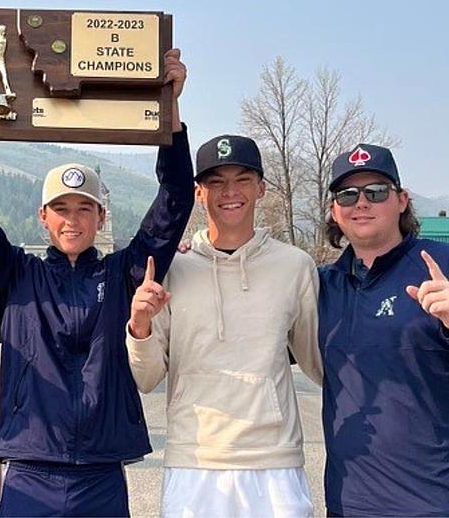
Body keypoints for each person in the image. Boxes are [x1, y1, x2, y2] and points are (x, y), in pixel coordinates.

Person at [0, 43, 194, 517]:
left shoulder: (124, 273)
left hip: (100, 475)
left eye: (85, 209)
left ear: (101, 218)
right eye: (61, 209)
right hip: (30, 472)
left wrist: (171, 107)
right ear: (43, 216)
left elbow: (176, 200)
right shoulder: (14, 273)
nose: (72, 219)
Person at [318, 144, 449, 517]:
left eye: (376, 192)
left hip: (443, 504)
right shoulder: (322, 287)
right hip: (351, 504)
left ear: (401, 200)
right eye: (347, 194)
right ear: (335, 211)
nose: (361, 203)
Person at [127, 135, 322, 518]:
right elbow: (147, 378)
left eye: (242, 179)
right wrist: (140, 326)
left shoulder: (295, 266)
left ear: (262, 188)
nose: (229, 192)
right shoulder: (172, 268)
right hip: (194, 461)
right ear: (199, 192)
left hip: (275, 462)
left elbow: (319, 363)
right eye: (215, 182)